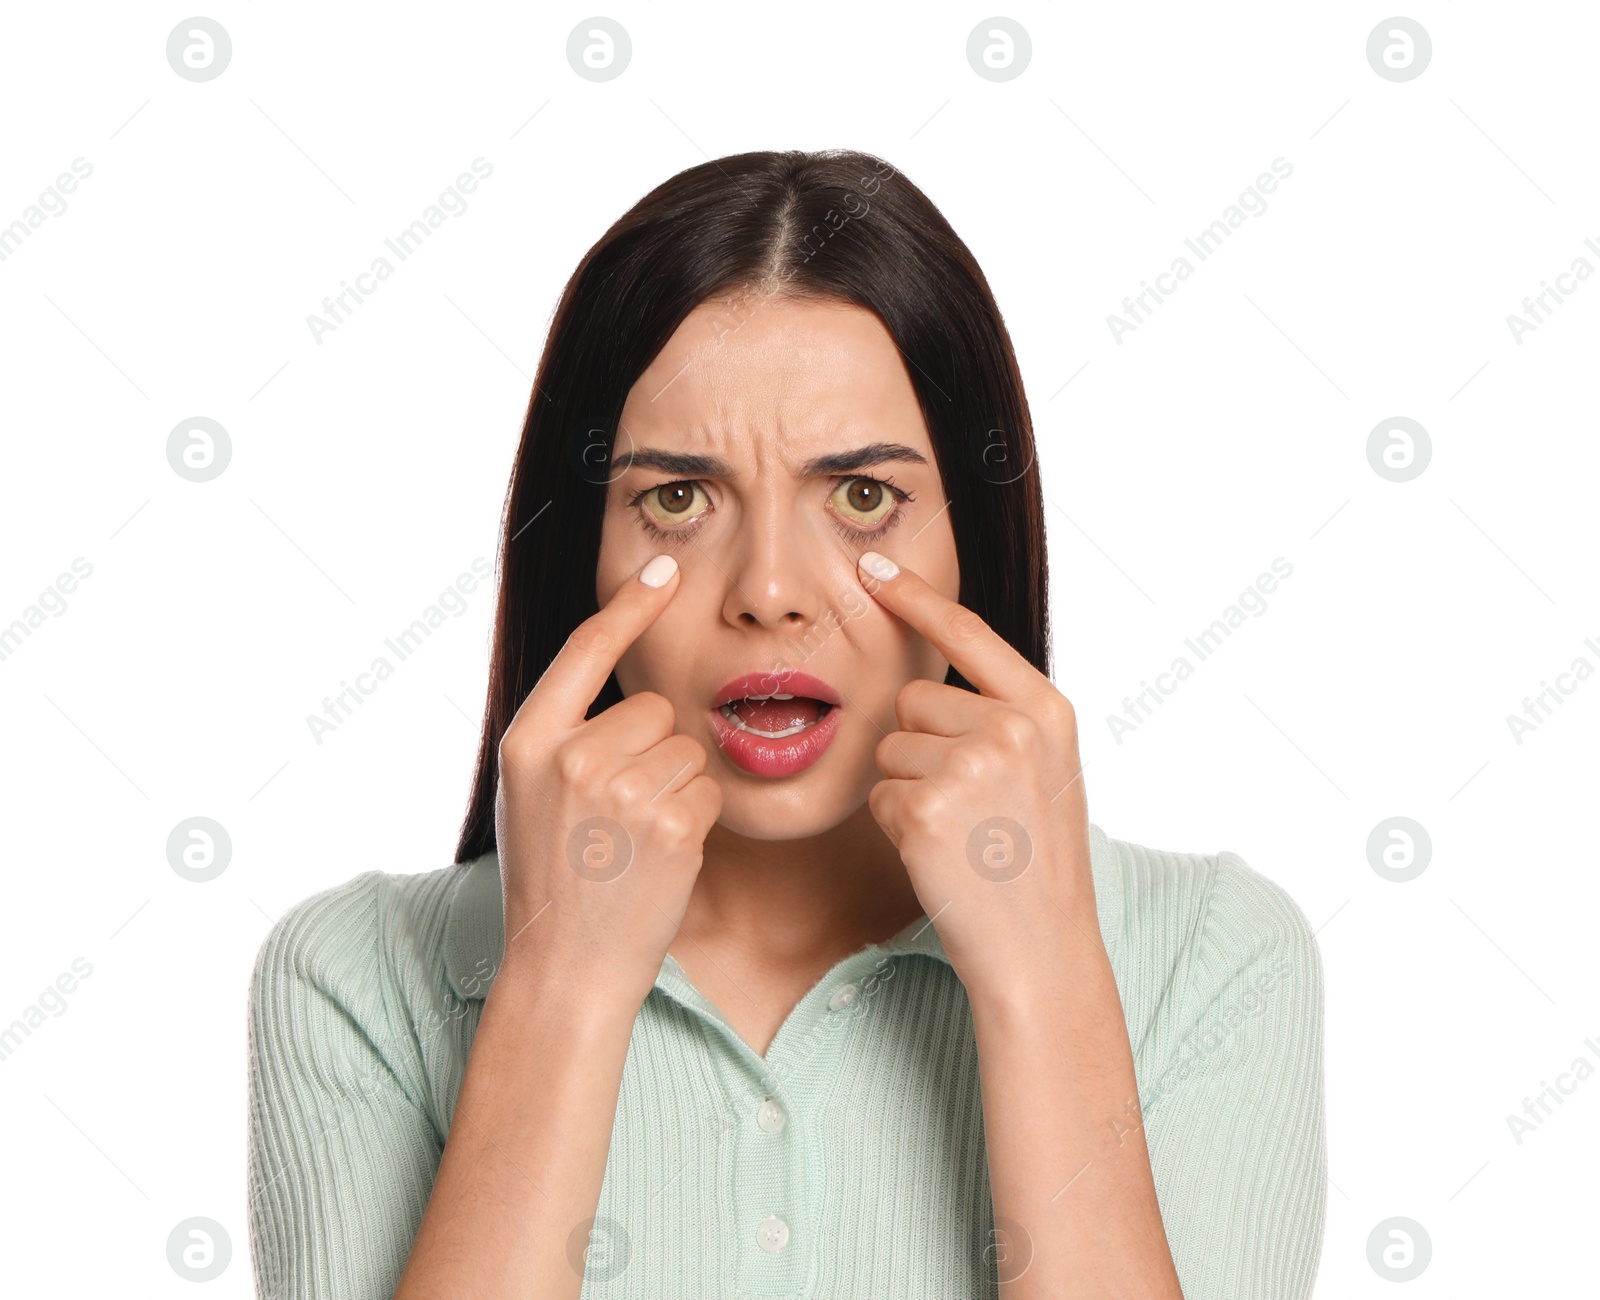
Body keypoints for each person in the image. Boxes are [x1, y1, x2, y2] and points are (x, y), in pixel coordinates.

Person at [246, 148, 1327, 1299]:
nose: (769, 588)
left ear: (974, 541)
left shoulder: (1214, 957)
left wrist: (1046, 975)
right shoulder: (357, 979)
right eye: (677, 497)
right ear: (584, 557)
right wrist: (559, 985)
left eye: (864, 497)